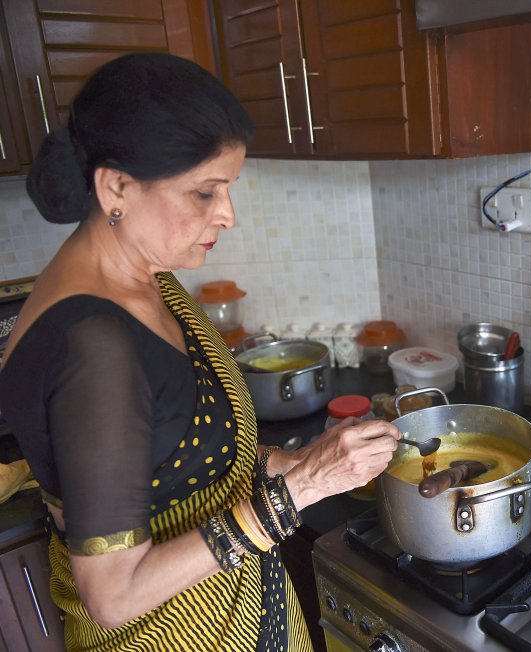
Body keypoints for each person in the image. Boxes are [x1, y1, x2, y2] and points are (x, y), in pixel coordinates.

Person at [0, 53, 400, 651]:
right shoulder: (92, 344)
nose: (228, 215)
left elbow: (186, 457)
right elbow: (114, 595)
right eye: (204, 192)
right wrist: (302, 491)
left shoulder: (145, 278)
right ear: (117, 187)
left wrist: (309, 460)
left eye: (228, 189)